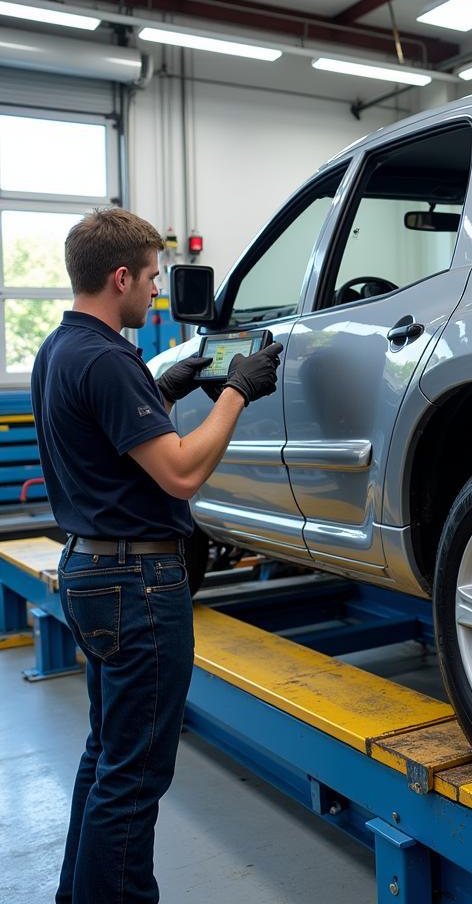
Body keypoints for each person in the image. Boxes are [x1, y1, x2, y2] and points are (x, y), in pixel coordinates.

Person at [31, 207, 283, 904]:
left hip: (90, 572)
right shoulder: (109, 359)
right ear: (120, 277)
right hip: (136, 583)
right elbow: (179, 475)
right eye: (149, 280)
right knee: (135, 774)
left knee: (106, 755)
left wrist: (160, 391)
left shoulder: (62, 349)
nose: (156, 294)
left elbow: (108, 441)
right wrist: (237, 391)